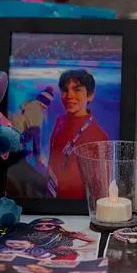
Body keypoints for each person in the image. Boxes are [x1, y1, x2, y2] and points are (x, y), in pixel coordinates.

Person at [47, 70, 111, 200]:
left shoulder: (99, 137)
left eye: (77, 90)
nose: (69, 95)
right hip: (50, 198)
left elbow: (101, 187)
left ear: (90, 95)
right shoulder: (60, 121)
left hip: (76, 204)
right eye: (65, 90)